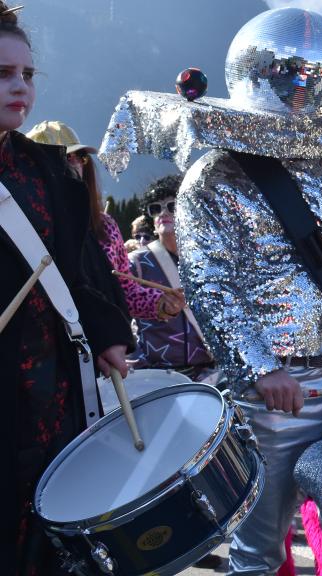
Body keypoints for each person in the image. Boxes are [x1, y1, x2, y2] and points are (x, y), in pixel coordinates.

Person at [165, 9, 322, 575]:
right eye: (294, 78)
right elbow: (209, 282)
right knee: (260, 550)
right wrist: (260, 368)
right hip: (275, 396)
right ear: (263, 77)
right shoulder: (214, 177)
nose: (306, 91)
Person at [0, 6, 133, 574]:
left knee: (54, 531)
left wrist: (107, 334)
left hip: (54, 387)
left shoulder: (49, 172)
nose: (20, 87)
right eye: (3, 73)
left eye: (28, 74)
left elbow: (80, 270)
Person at [25, 120, 186, 322]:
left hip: (104, 336)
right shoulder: (23, 224)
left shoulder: (105, 224)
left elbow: (124, 289)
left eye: (80, 156)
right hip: (47, 335)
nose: (75, 163)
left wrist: (161, 302)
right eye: (65, 157)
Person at [128, 174, 216, 381]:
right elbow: (118, 316)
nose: (163, 213)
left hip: (211, 372)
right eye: (155, 208)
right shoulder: (136, 262)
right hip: (158, 375)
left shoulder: (209, 259)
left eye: (172, 206)